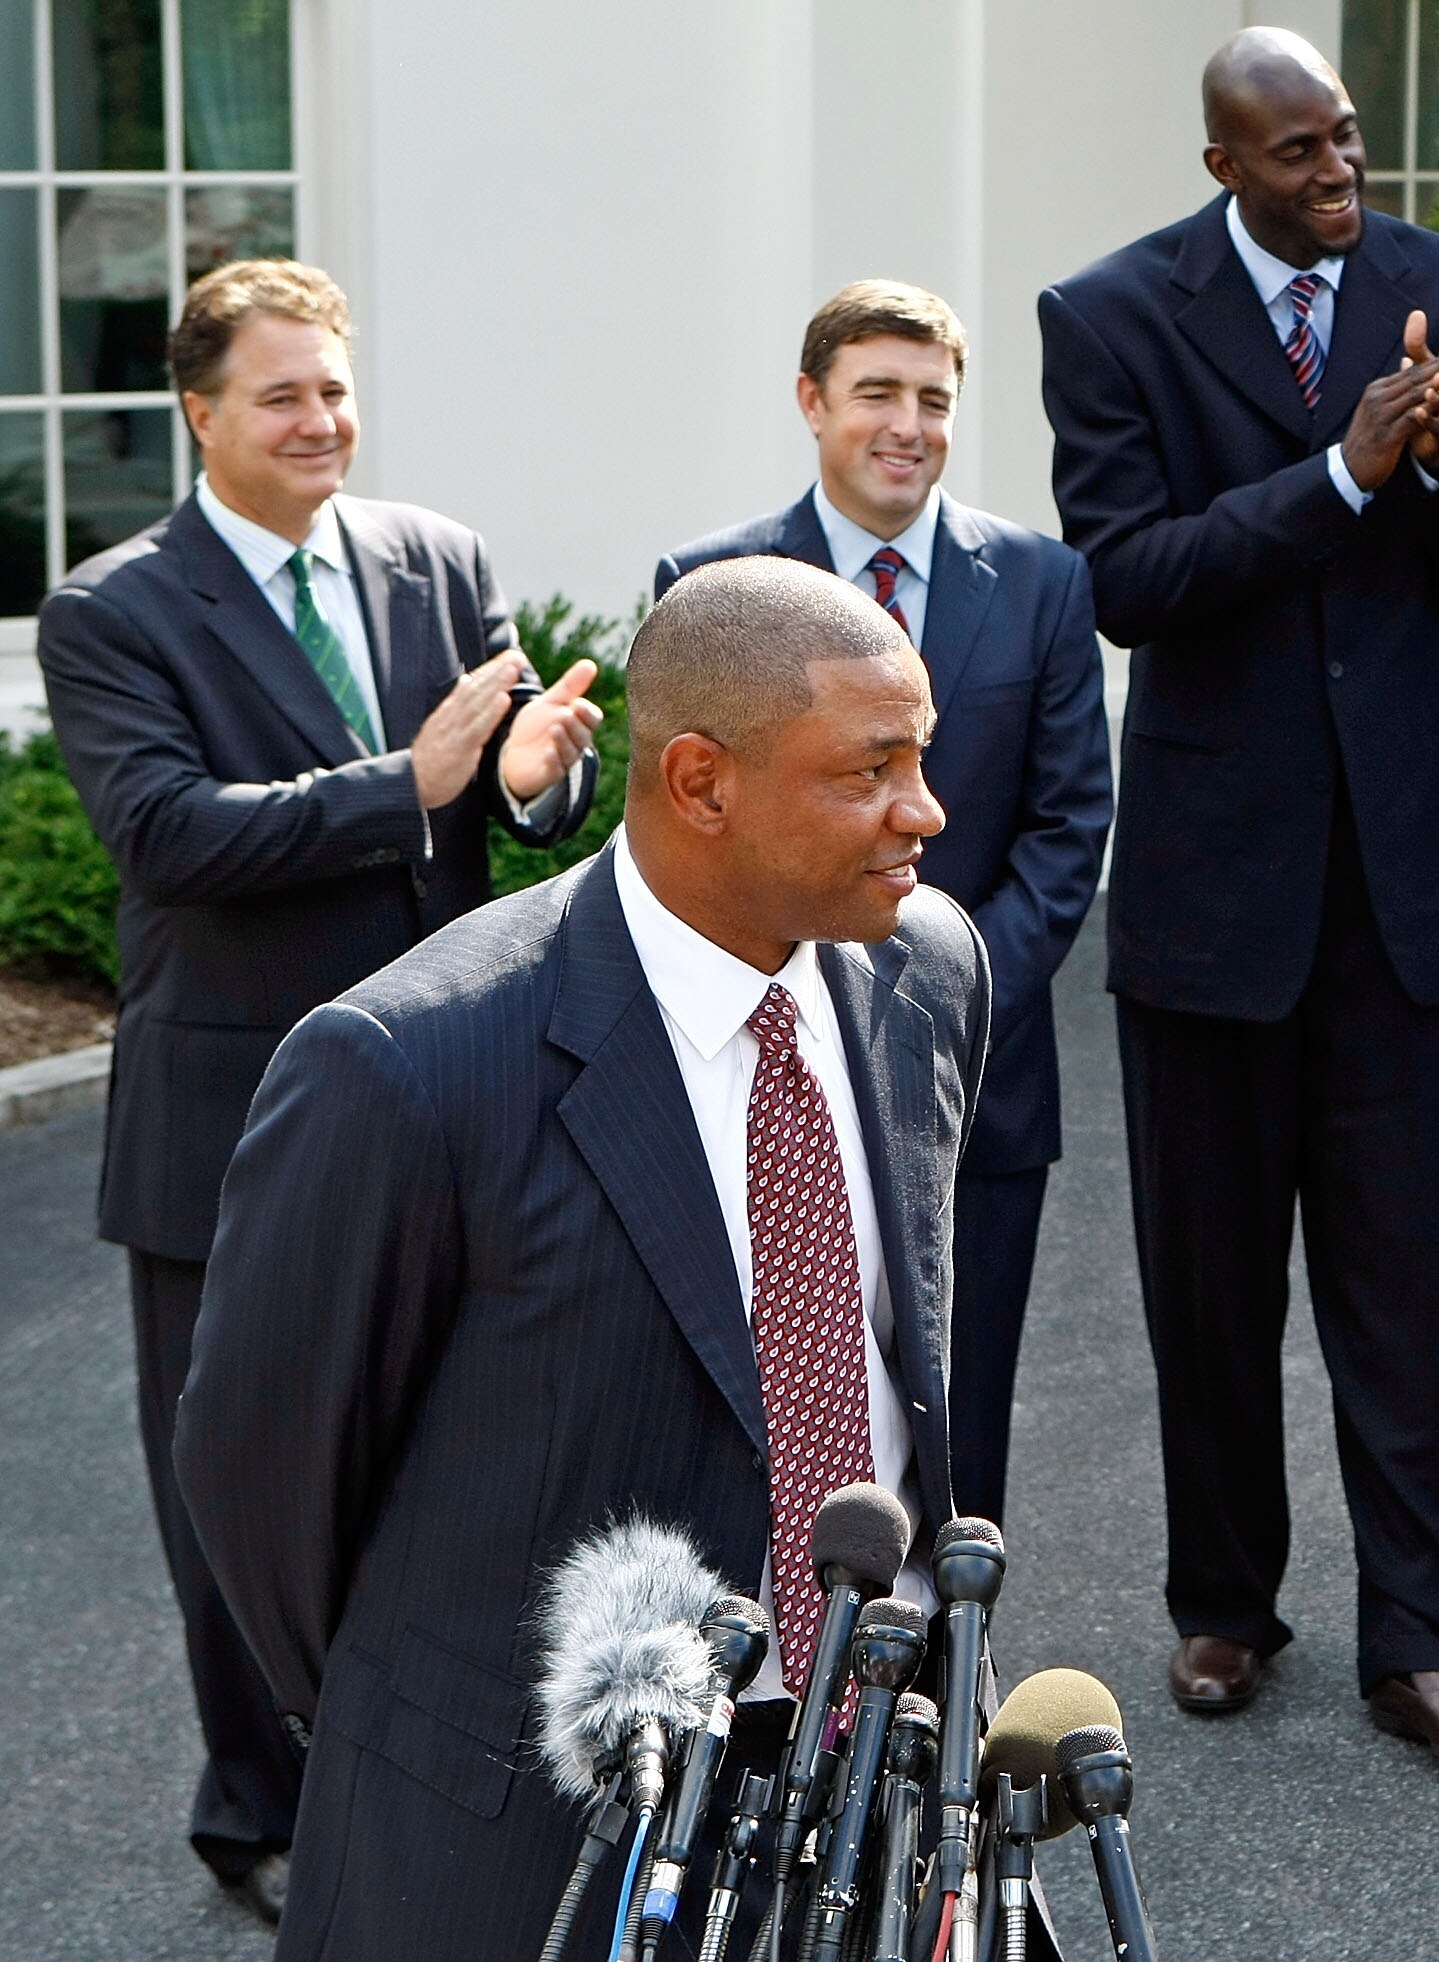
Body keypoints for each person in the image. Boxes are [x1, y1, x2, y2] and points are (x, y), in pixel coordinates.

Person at [172, 559, 988, 1958]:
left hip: (867, 1812)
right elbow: (262, 1482)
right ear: (699, 781)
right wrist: (436, 1724)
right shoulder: (408, 1066)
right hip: (516, 1853)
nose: (926, 811)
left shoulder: (928, 969)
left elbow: (891, 1363)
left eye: (922, 758)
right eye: (874, 769)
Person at [33, 258, 599, 1923]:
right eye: (281, 394)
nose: (320, 420)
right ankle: (258, 1807)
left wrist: (532, 782)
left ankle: (419, 1764)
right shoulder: (112, 608)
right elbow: (165, 836)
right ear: (200, 412)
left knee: (449, 1449)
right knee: (240, 1480)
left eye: (336, 387)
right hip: (230, 1122)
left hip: (450, 1098)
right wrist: (401, 783)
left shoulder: (438, 557)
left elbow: (503, 807)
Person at [1036, 27, 1439, 1773]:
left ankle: (1430, 1647)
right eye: (1301, 159)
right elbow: (1130, 584)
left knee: (1404, 1287)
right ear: (1222, 170)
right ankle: (1225, 1601)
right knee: (1211, 1276)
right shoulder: (1106, 316)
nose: (1339, 181)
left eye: (1344, 147)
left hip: (1397, 880)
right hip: (1208, 881)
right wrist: (1344, 472)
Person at [657, 279, 1112, 1530]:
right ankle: (777, 1701)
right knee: (765, 1411)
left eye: (934, 400)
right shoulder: (714, 584)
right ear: (813, 403)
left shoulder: (1041, 582)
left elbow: (1070, 829)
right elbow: (696, 833)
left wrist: (945, 1007)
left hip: (982, 1080)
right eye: (876, 394)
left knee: (957, 1429)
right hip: (765, 1068)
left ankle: (945, 1700)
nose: (906, 424)